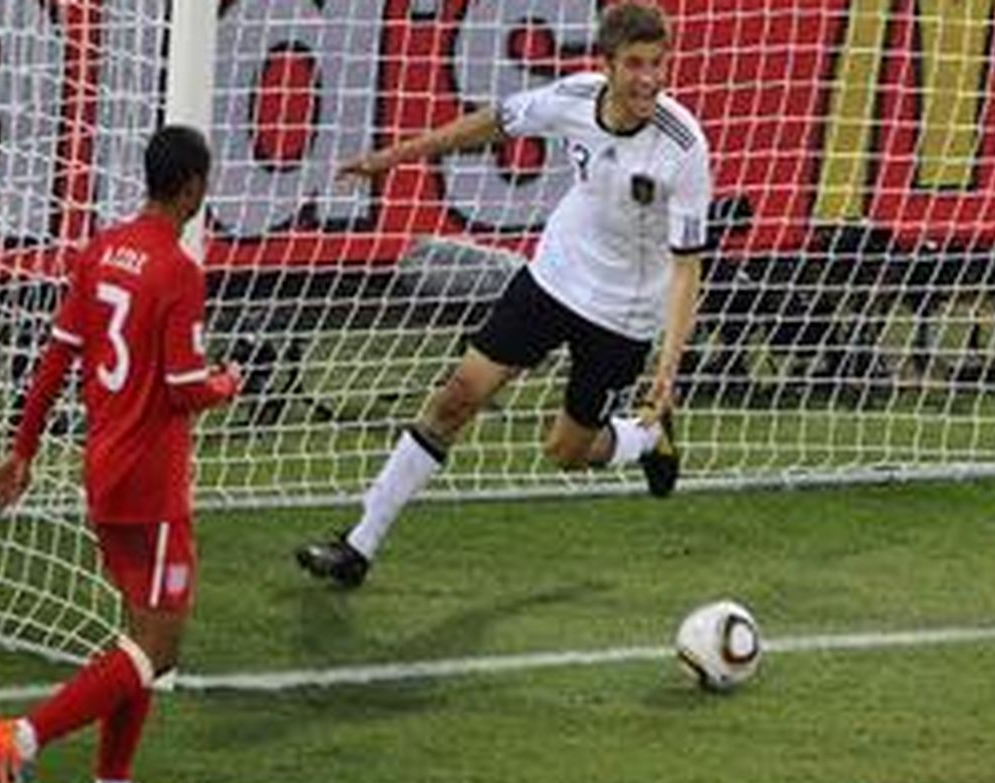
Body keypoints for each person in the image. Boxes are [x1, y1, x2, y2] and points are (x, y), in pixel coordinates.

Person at [296, 0, 710, 588]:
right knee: (457, 397)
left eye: (657, 65)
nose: (648, 79)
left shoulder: (684, 145)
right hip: (556, 275)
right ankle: (359, 545)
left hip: (626, 310)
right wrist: (395, 157)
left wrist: (667, 371)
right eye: (635, 65)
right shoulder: (574, 99)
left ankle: (644, 437)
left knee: (566, 450)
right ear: (608, 65)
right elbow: (495, 121)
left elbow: (687, 267)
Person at [0, 125, 241, 783]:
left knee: (137, 635)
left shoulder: (103, 250)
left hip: (102, 469)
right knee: (161, 648)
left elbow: (56, 358)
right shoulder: (178, 270)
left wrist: (23, 450)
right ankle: (25, 737)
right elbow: (184, 386)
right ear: (190, 188)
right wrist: (227, 383)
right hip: (153, 485)